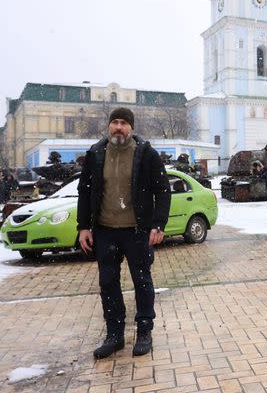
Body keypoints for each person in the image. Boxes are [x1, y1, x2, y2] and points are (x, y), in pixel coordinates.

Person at [76, 107, 171, 359]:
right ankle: (114, 335)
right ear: (109, 126)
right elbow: (84, 191)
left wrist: (158, 224)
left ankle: (144, 331)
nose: (118, 127)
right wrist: (83, 226)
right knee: (108, 283)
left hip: (136, 231)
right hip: (105, 230)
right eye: (115, 122)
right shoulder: (96, 153)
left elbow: (163, 189)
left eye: (123, 123)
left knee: (142, 281)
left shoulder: (145, 154)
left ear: (131, 127)